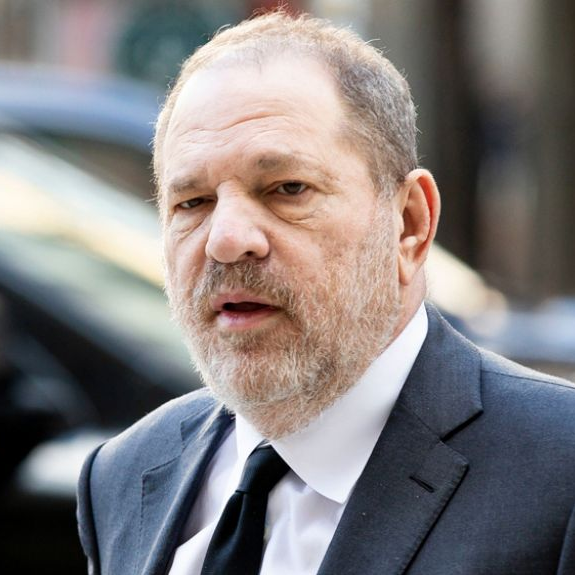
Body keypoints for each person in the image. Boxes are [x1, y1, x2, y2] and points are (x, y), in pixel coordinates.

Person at [77, 12, 575, 575]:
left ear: (409, 224)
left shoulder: (560, 472)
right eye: (192, 202)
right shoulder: (123, 475)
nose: (227, 240)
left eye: (287, 189)